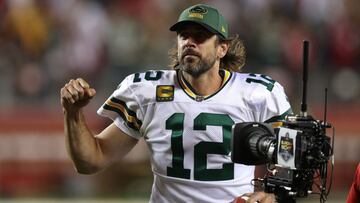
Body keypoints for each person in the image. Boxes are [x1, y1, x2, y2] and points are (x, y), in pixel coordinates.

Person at [60, 4, 292, 203]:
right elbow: (91, 161)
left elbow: (295, 154)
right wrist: (72, 113)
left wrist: (273, 193)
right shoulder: (146, 91)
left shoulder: (257, 93)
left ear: (222, 48)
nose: (190, 42)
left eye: (200, 36)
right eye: (184, 35)